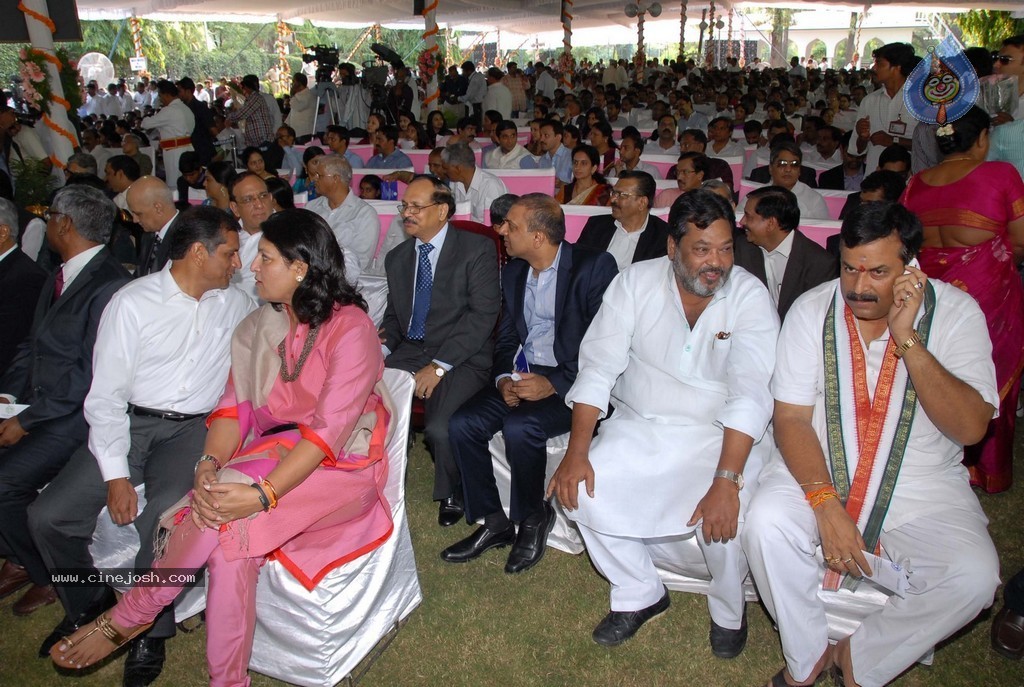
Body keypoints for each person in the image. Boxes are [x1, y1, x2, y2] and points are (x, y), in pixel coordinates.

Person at [47, 209, 391, 687]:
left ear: (299, 268)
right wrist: (208, 464)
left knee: (229, 518)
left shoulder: (350, 327)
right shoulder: (257, 327)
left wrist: (263, 494)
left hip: (340, 469)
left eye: (264, 258)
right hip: (272, 455)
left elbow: (327, 433)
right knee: (230, 538)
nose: (251, 268)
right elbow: (231, 411)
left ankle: (135, 612)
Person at [743, 202, 1001, 687]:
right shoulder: (812, 308)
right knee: (764, 525)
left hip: (920, 481)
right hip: (817, 467)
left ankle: (857, 659)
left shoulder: (957, 313)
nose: (859, 287)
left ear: (911, 267)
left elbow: (971, 429)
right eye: (848, 268)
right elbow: (792, 418)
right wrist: (825, 505)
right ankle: (808, 654)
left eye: (878, 272)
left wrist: (908, 340)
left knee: (974, 576)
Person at [32, 206, 254, 685]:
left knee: (162, 519)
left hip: (192, 429)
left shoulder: (236, 303)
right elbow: (106, 398)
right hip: (128, 423)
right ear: (198, 253)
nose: (237, 264)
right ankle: (90, 602)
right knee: (48, 517)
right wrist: (115, 476)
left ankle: (148, 629)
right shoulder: (132, 303)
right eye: (230, 254)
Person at [548, 190, 779, 650]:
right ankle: (639, 591)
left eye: (726, 248)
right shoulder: (634, 282)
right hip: (642, 425)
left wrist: (726, 480)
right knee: (579, 492)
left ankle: (730, 613)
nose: (716, 263)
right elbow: (598, 367)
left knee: (723, 520)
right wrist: (577, 453)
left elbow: (752, 393)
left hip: (723, 435)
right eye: (702, 249)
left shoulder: (749, 295)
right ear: (672, 247)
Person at [442, 194, 618, 573]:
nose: (502, 230)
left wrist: (553, 383)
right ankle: (494, 521)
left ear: (538, 237)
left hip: (575, 381)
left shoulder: (593, 267)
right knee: (463, 424)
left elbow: (605, 345)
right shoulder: (515, 271)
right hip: (522, 375)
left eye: (512, 226)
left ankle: (533, 518)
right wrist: (505, 377)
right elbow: (506, 338)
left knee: (522, 426)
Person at [0, 188, 129, 617]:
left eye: (50, 214)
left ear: (64, 224)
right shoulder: (60, 271)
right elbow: (31, 345)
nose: (47, 221)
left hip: (78, 416)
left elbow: (91, 376)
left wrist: (29, 419)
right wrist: (9, 396)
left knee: (4, 484)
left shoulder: (109, 284)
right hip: (41, 404)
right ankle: (20, 556)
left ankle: (46, 574)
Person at [901, 105, 1024, 493]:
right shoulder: (1001, 174)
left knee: (939, 372)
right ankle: (985, 471)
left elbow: (907, 244)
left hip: (934, 298)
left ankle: (941, 460)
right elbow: (1020, 240)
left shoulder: (916, 182)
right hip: (989, 294)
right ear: (983, 138)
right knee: (991, 377)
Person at [381, 176, 500, 527]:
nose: (407, 213)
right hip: (411, 348)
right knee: (369, 402)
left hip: (461, 352)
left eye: (417, 207)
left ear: (443, 210)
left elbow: (483, 315)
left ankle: (451, 490)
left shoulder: (475, 249)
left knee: (439, 428)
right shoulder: (397, 257)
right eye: (405, 206)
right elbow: (394, 316)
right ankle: (376, 480)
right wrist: (379, 347)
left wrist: (439, 365)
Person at [735, 185, 836, 321]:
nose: (742, 222)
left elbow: (817, 318)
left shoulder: (819, 264)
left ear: (771, 223)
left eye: (748, 216)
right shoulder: (741, 248)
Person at [577, 171, 669, 271]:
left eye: (621, 195)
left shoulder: (663, 236)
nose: (612, 199)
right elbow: (578, 263)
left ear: (642, 202)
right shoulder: (596, 225)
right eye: (614, 193)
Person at [305, 154, 379, 278]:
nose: (314, 179)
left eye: (319, 175)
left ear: (335, 178)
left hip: (342, 281)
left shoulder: (364, 214)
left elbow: (361, 262)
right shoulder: (311, 207)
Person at [851, 43, 917, 172]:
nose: (874, 68)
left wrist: (894, 141)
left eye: (880, 64)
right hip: (874, 177)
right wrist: (862, 137)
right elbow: (857, 150)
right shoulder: (869, 100)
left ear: (897, 67)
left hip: (909, 179)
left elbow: (931, 145)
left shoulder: (920, 101)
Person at [742, 142, 829, 221]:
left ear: (799, 170)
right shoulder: (755, 196)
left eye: (794, 164)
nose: (788, 169)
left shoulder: (814, 200)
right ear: (770, 168)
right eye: (782, 164)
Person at [140, 80, 195, 189]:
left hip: (174, 151)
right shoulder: (186, 109)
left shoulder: (169, 111)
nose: (160, 99)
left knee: (174, 184)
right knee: (188, 184)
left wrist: (149, 115)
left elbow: (145, 124)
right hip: (188, 148)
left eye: (160, 96)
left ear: (167, 95)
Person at [127, 176, 184, 277]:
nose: (135, 220)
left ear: (158, 208)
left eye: (138, 214)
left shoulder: (187, 237)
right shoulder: (148, 236)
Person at [229, 173, 274, 301]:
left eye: (263, 196)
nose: (259, 204)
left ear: (271, 198)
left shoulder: (287, 234)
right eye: (248, 199)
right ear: (235, 208)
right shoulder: (224, 236)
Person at [443, 141, 508, 222]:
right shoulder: (455, 182)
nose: (444, 172)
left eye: (446, 168)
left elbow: (496, 224)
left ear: (457, 169)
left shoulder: (491, 186)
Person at [227, 75, 274, 149]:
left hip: (263, 140)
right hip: (256, 142)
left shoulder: (255, 98)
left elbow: (241, 114)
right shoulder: (249, 99)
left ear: (246, 87)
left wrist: (229, 118)